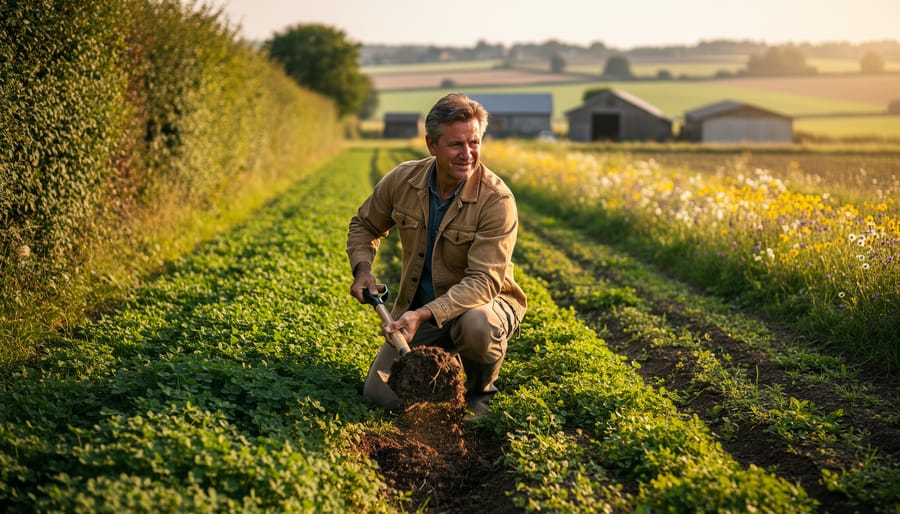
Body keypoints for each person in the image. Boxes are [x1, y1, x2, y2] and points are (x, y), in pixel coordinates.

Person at [347, 93, 527, 416]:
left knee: (476, 326)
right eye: (456, 145)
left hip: (483, 305)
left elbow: (483, 282)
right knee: (379, 396)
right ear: (431, 145)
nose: (467, 154)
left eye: (474, 142)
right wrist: (363, 269)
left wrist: (423, 315)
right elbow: (364, 224)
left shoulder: (497, 200)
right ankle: (447, 367)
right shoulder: (403, 180)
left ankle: (479, 393)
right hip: (424, 311)